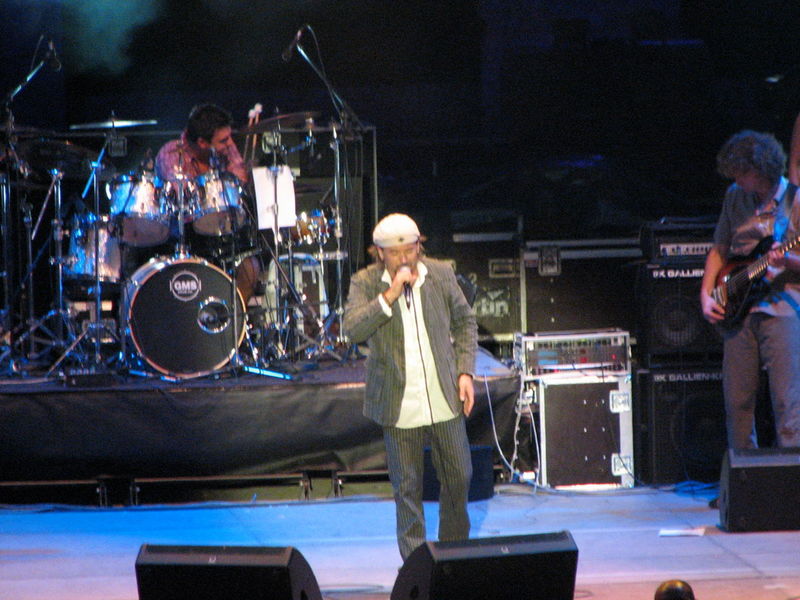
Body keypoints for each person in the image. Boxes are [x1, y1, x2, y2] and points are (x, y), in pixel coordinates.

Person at [343, 213, 478, 561]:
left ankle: (452, 557)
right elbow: (353, 329)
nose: (404, 258)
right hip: (399, 401)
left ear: (420, 246)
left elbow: (465, 322)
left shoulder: (441, 274)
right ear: (379, 253)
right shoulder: (365, 282)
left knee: (459, 476)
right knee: (407, 489)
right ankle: (417, 568)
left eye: (410, 250)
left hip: (442, 395)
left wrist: (465, 372)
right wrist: (389, 295)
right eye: (394, 252)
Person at [700, 130, 800, 449]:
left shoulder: (795, 200)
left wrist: (788, 261)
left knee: (787, 402)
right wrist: (706, 294)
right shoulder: (735, 196)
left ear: (760, 170)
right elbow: (719, 249)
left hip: (782, 309)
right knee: (738, 403)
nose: (736, 179)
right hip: (738, 311)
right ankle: (744, 474)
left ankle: (791, 476)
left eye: (741, 173)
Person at [155, 103, 260, 303]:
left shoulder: (223, 148)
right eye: (224, 140)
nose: (230, 144)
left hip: (220, 235)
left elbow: (240, 177)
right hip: (183, 239)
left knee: (250, 268)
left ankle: (234, 317)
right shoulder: (172, 154)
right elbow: (183, 201)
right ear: (202, 142)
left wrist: (239, 176)